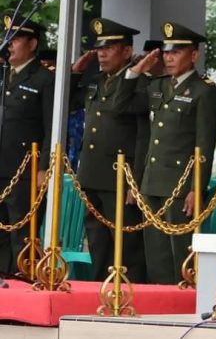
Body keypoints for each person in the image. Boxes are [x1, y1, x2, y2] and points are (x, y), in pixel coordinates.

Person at [115, 22, 216, 284]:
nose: (168, 58)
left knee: (180, 255)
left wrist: (197, 187)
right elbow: (121, 105)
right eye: (166, 53)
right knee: (156, 255)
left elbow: (204, 144)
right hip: (152, 182)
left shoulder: (204, 91)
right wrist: (136, 70)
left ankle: (183, 301)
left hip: (180, 186)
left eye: (176, 52)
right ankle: (161, 301)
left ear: (193, 55)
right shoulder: (158, 86)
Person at [70, 18, 148, 283]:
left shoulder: (138, 82)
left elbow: (143, 136)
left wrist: (135, 181)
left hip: (120, 177)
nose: (101, 54)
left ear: (127, 51)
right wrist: (75, 74)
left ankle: (130, 296)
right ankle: (99, 292)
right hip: (93, 173)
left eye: (109, 48)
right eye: (99, 49)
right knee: (98, 243)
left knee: (126, 246)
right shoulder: (97, 81)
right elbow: (68, 104)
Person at [0, 15, 54, 274]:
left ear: (32, 44)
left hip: (25, 173)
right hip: (1, 166)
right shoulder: (3, 75)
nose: (8, 43)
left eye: (16, 38)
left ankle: (23, 284)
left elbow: (51, 127)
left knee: (22, 238)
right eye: (6, 37)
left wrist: (44, 168)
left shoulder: (44, 79)